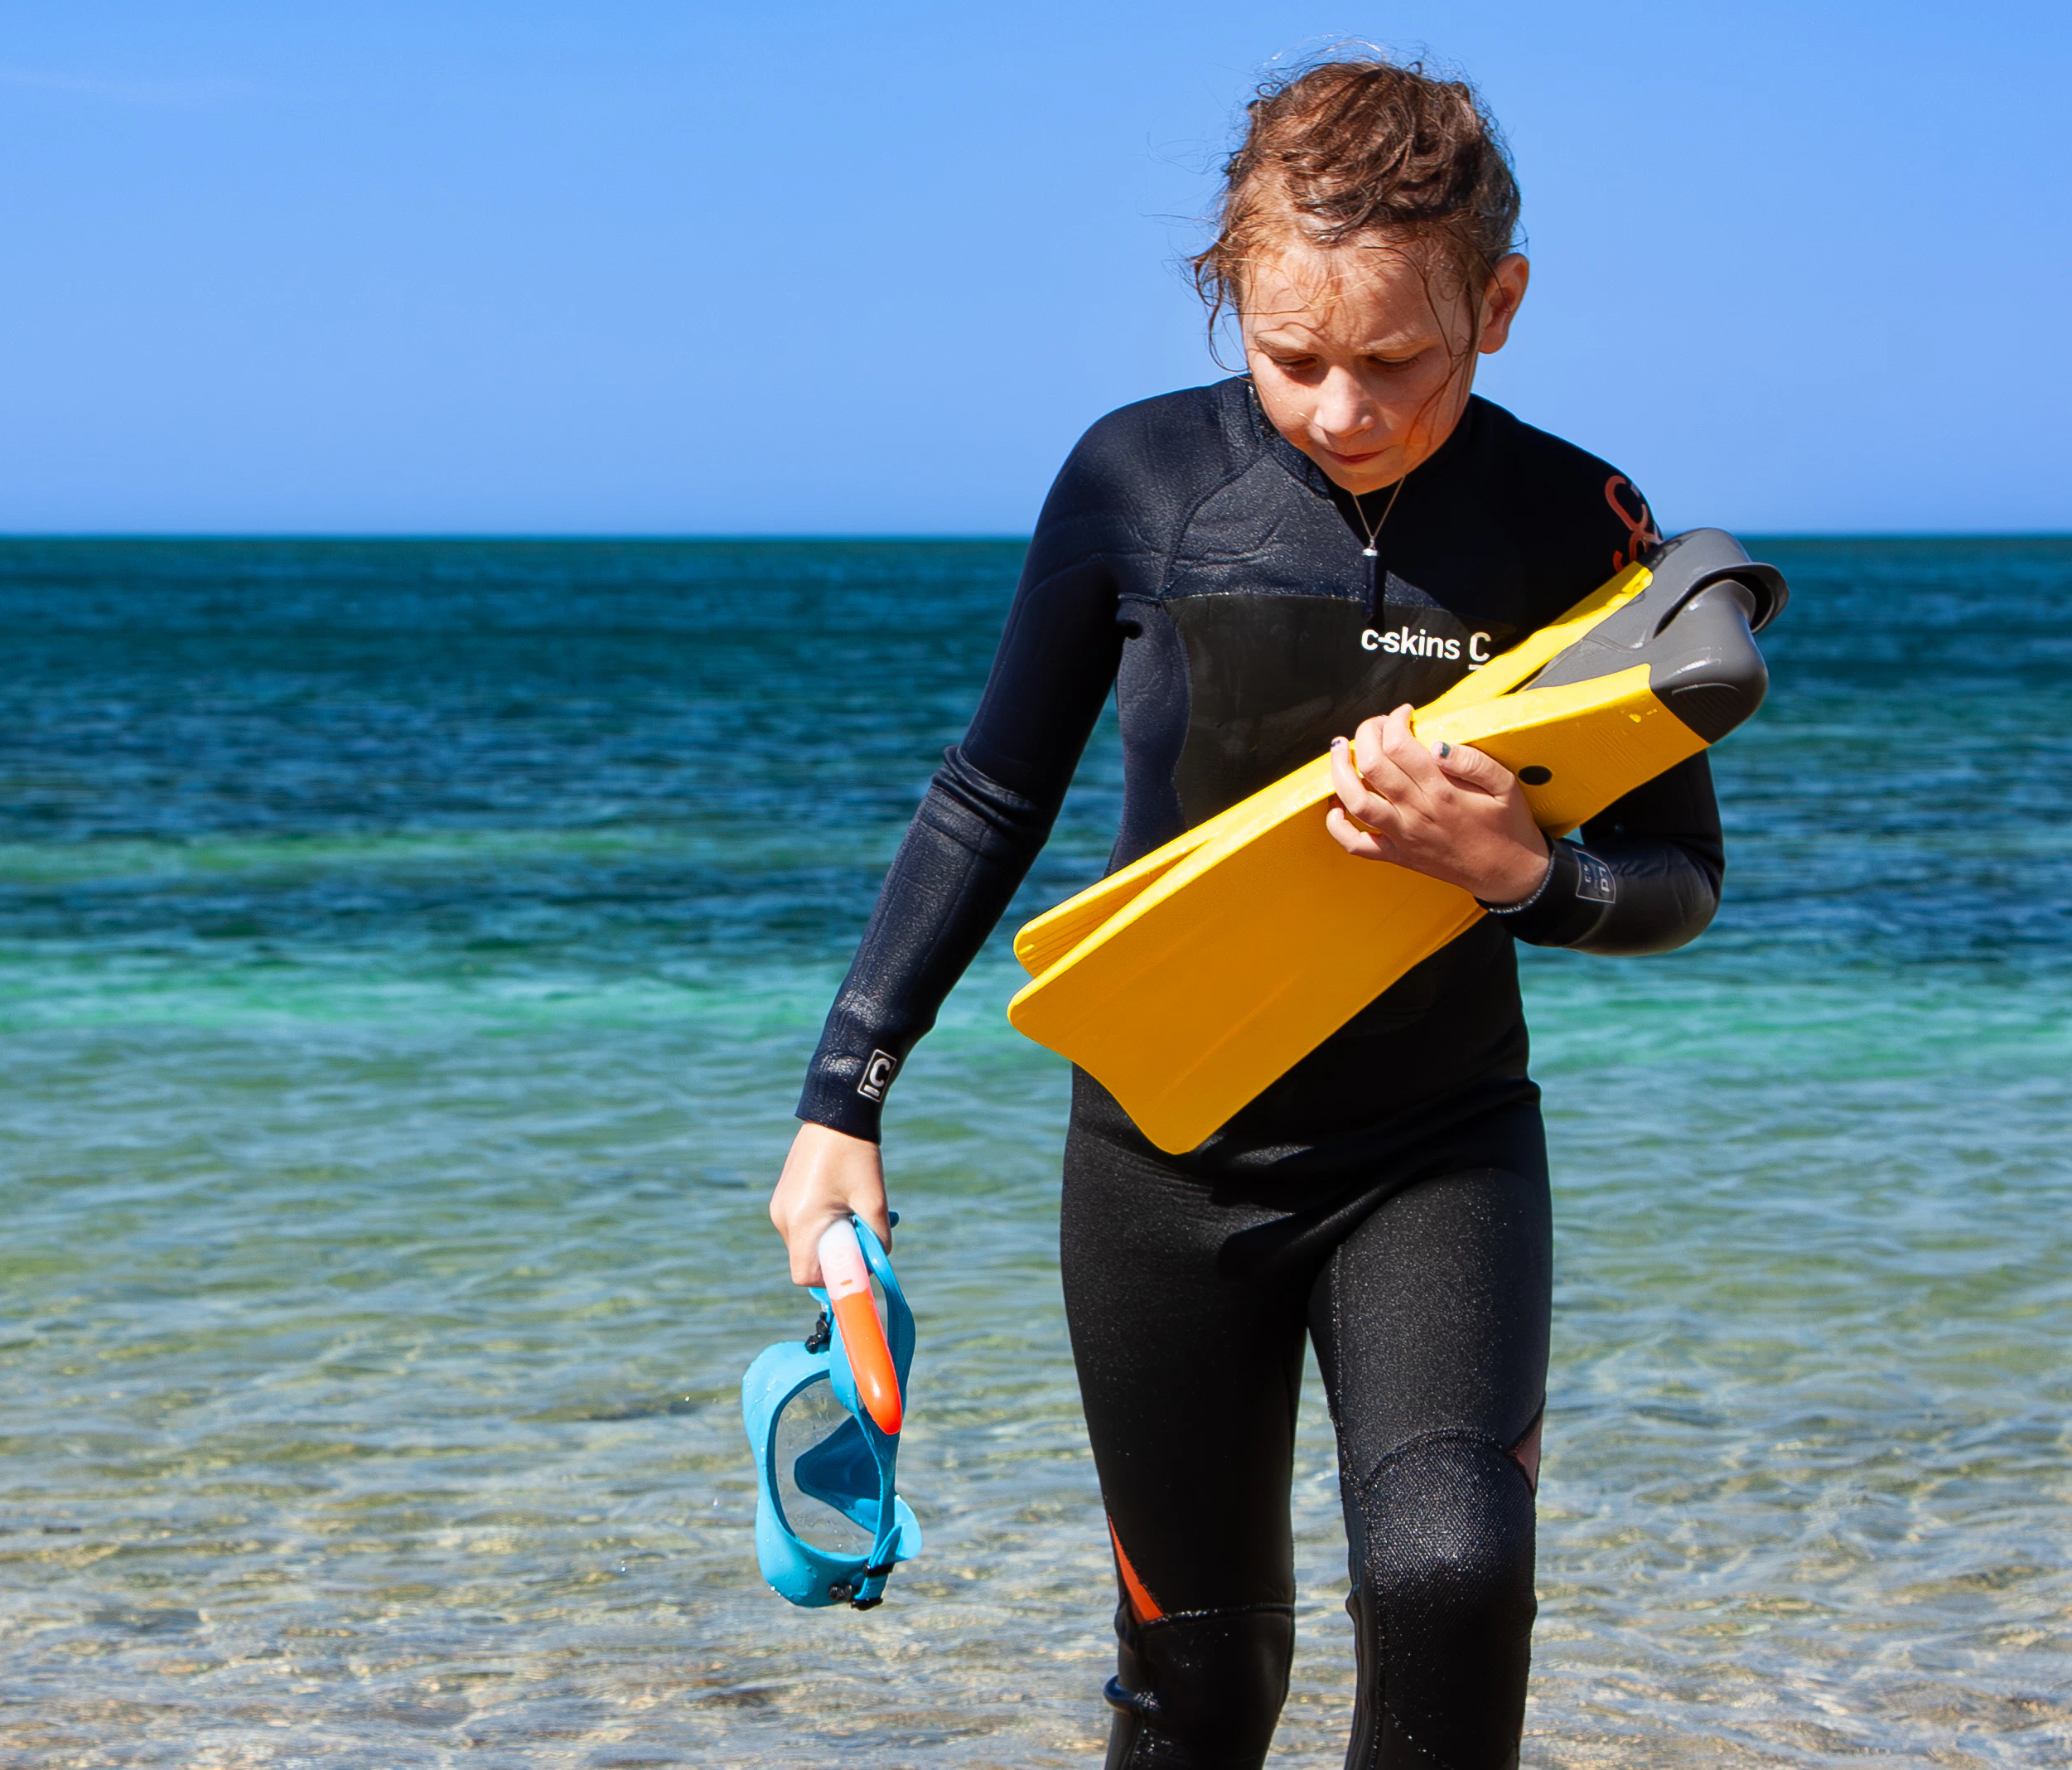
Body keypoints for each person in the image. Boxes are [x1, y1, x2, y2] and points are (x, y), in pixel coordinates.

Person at [766, 54, 1731, 1768]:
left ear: (1499, 304)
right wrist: (845, 1097)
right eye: (1293, 358)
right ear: (1228, 296)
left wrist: (1523, 874)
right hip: (1162, 1168)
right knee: (1200, 1680)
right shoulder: (1139, 483)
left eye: (1399, 361)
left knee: (1451, 1579)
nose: (1344, 409)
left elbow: (1680, 879)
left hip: (1435, 1151)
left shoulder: (1569, 526)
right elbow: (993, 790)